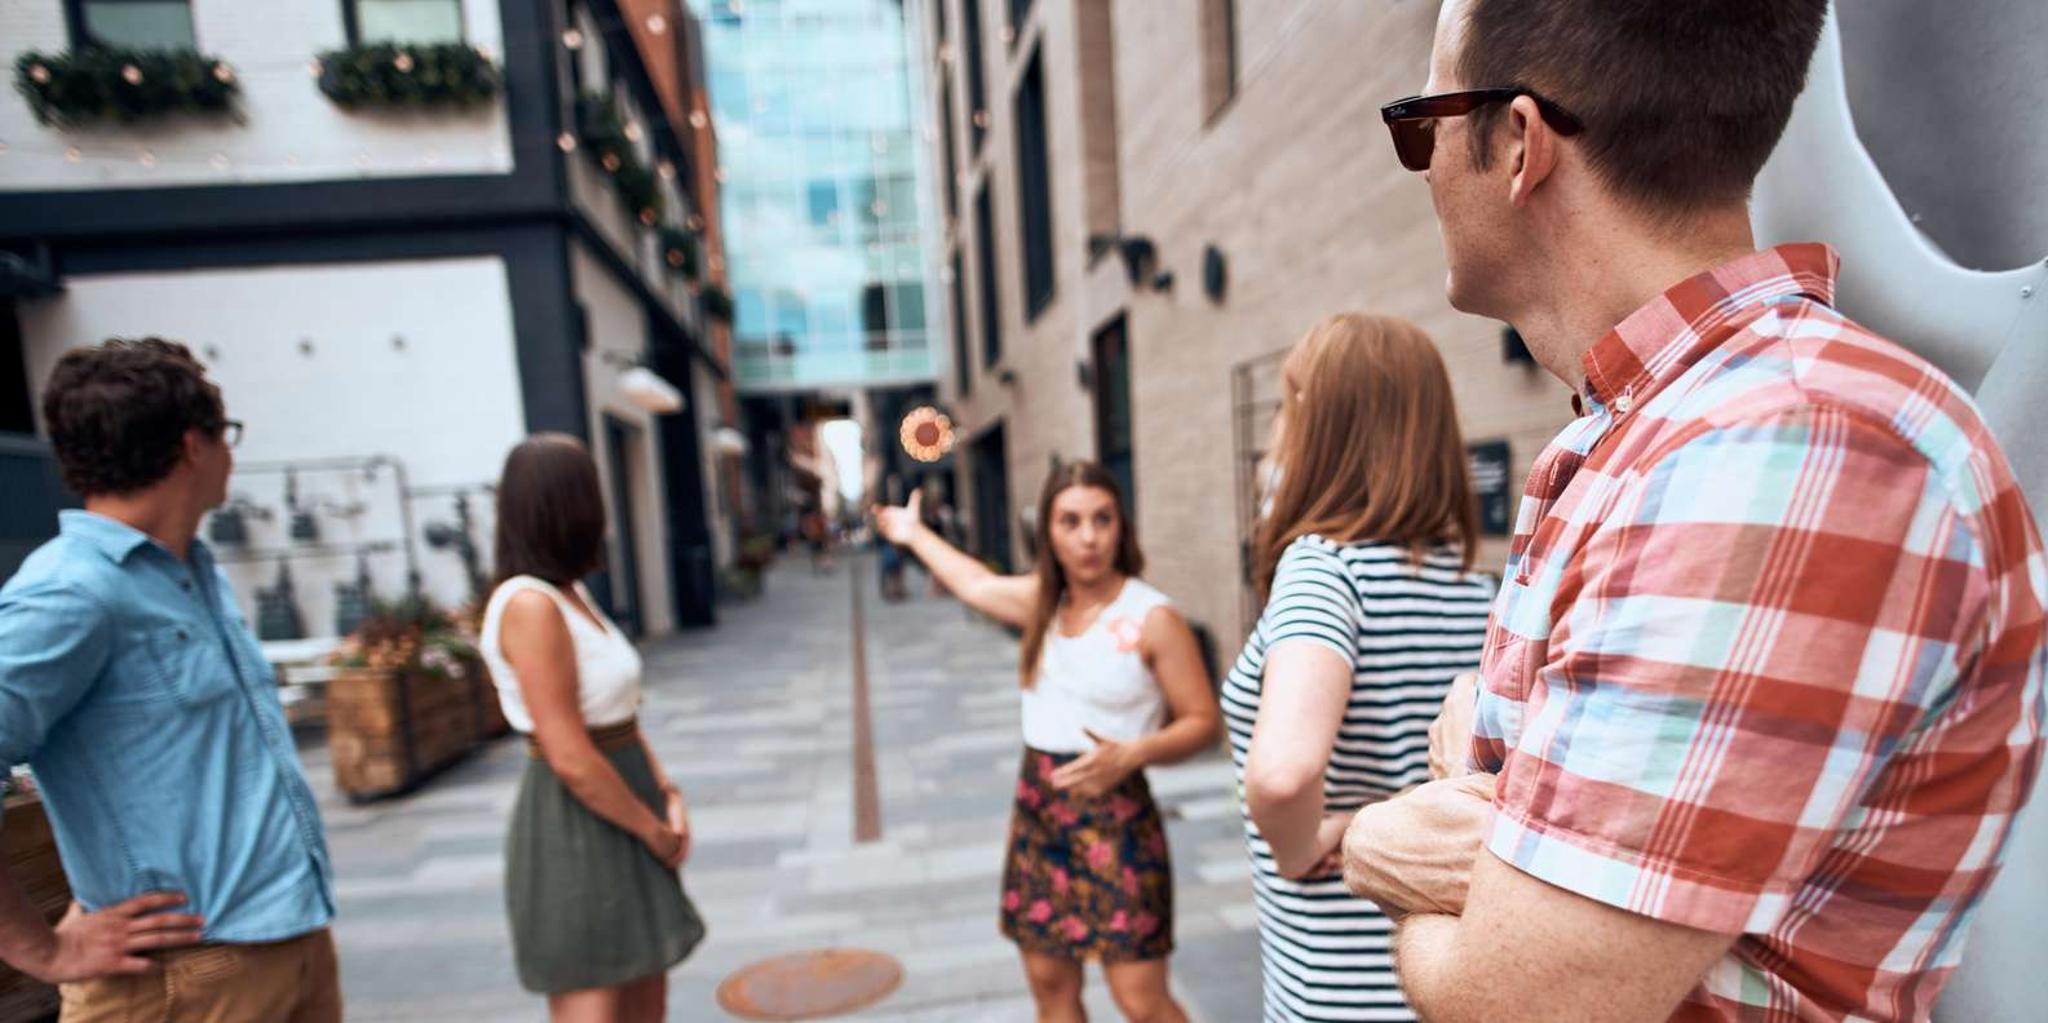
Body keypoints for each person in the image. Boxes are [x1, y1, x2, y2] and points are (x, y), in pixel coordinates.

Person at [1340, 1, 2046, 1021]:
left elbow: (1514, 1007)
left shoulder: (1781, 447)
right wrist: (1497, 842)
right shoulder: (1681, 433)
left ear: (1519, 146)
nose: (1425, 172)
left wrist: (1384, 846)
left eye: (1423, 127)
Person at [0, 338, 341, 1021]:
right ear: (195, 445)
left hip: (289, 945)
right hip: (182, 982)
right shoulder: (72, 591)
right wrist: (38, 948)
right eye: (228, 436)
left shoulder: (191, 572)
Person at [877, 462, 1222, 1023]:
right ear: (1049, 534)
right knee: (1051, 989)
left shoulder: (1151, 617)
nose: (1088, 536)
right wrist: (913, 534)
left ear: (1121, 529)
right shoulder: (1043, 603)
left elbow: (1203, 721)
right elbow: (976, 584)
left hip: (1117, 818)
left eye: (1102, 519)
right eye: (1071, 521)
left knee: (1140, 1000)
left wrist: (1133, 753)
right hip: (1039, 816)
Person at [1225, 314, 1494, 1023]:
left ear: (1320, 422)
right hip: (1441, 973)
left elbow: (1281, 775)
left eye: (1288, 404)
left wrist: (1299, 846)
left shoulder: (1324, 570)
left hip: (1336, 983)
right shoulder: (1479, 588)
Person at [480, 434, 705, 1022]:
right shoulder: (529, 605)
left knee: (645, 999)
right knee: (596, 1002)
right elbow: (569, 754)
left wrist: (669, 795)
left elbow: (620, 717)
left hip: (626, 804)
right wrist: (652, 831)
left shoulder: (570, 594)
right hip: (579, 825)